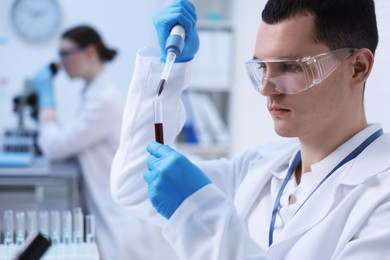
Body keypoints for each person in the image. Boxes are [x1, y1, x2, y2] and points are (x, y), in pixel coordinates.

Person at [110, 0, 390, 259]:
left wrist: (202, 213)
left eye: (291, 67)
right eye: (262, 68)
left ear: (358, 67)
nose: (266, 88)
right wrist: (170, 71)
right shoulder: (258, 168)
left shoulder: (382, 196)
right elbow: (136, 183)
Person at [33, 25, 178, 259]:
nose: (61, 63)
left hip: (121, 222)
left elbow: (54, 147)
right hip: (110, 213)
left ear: (90, 52)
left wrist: (46, 104)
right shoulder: (93, 94)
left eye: (65, 54)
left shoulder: (104, 101)